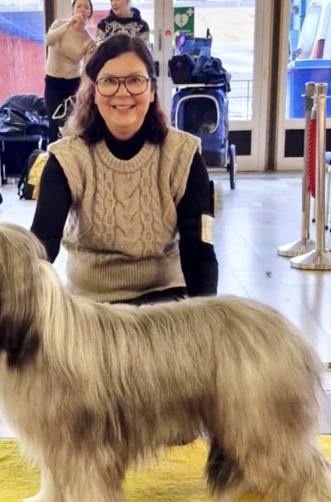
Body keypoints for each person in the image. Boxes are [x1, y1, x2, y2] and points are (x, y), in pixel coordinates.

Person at [30, 34, 218, 305]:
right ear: (93, 93)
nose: (122, 92)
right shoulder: (66, 158)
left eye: (134, 80)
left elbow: (200, 247)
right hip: (90, 308)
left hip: (166, 304)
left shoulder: (183, 155)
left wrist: (207, 318)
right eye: (108, 81)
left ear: (152, 91)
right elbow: (42, 244)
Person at [44, 0, 95, 143]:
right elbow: (49, 40)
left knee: (73, 124)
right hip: (53, 82)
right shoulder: (59, 24)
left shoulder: (89, 40)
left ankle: (72, 158)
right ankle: (52, 159)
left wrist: (84, 92)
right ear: (72, 10)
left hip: (73, 83)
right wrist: (69, 24)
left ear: (90, 12)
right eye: (79, 6)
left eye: (87, 7)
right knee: (54, 123)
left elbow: (87, 69)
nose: (83, 10)